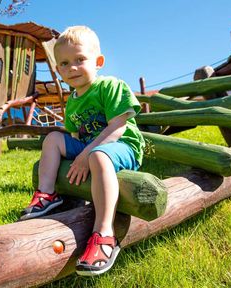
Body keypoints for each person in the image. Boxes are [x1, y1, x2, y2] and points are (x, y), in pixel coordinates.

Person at [19, 25, 145, 276]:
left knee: (99, 155)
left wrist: (86, 154)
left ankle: (104, 233)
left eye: (80, 60)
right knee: (54, 138)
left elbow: (118, 128)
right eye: (64, 63)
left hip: (122, 146)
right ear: (58, 69)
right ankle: (47, 195)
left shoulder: (110, 86)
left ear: (98, 62)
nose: (72, 68)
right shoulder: (73, 101)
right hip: (92, 148)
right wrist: (80, 153)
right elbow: (76, 134)